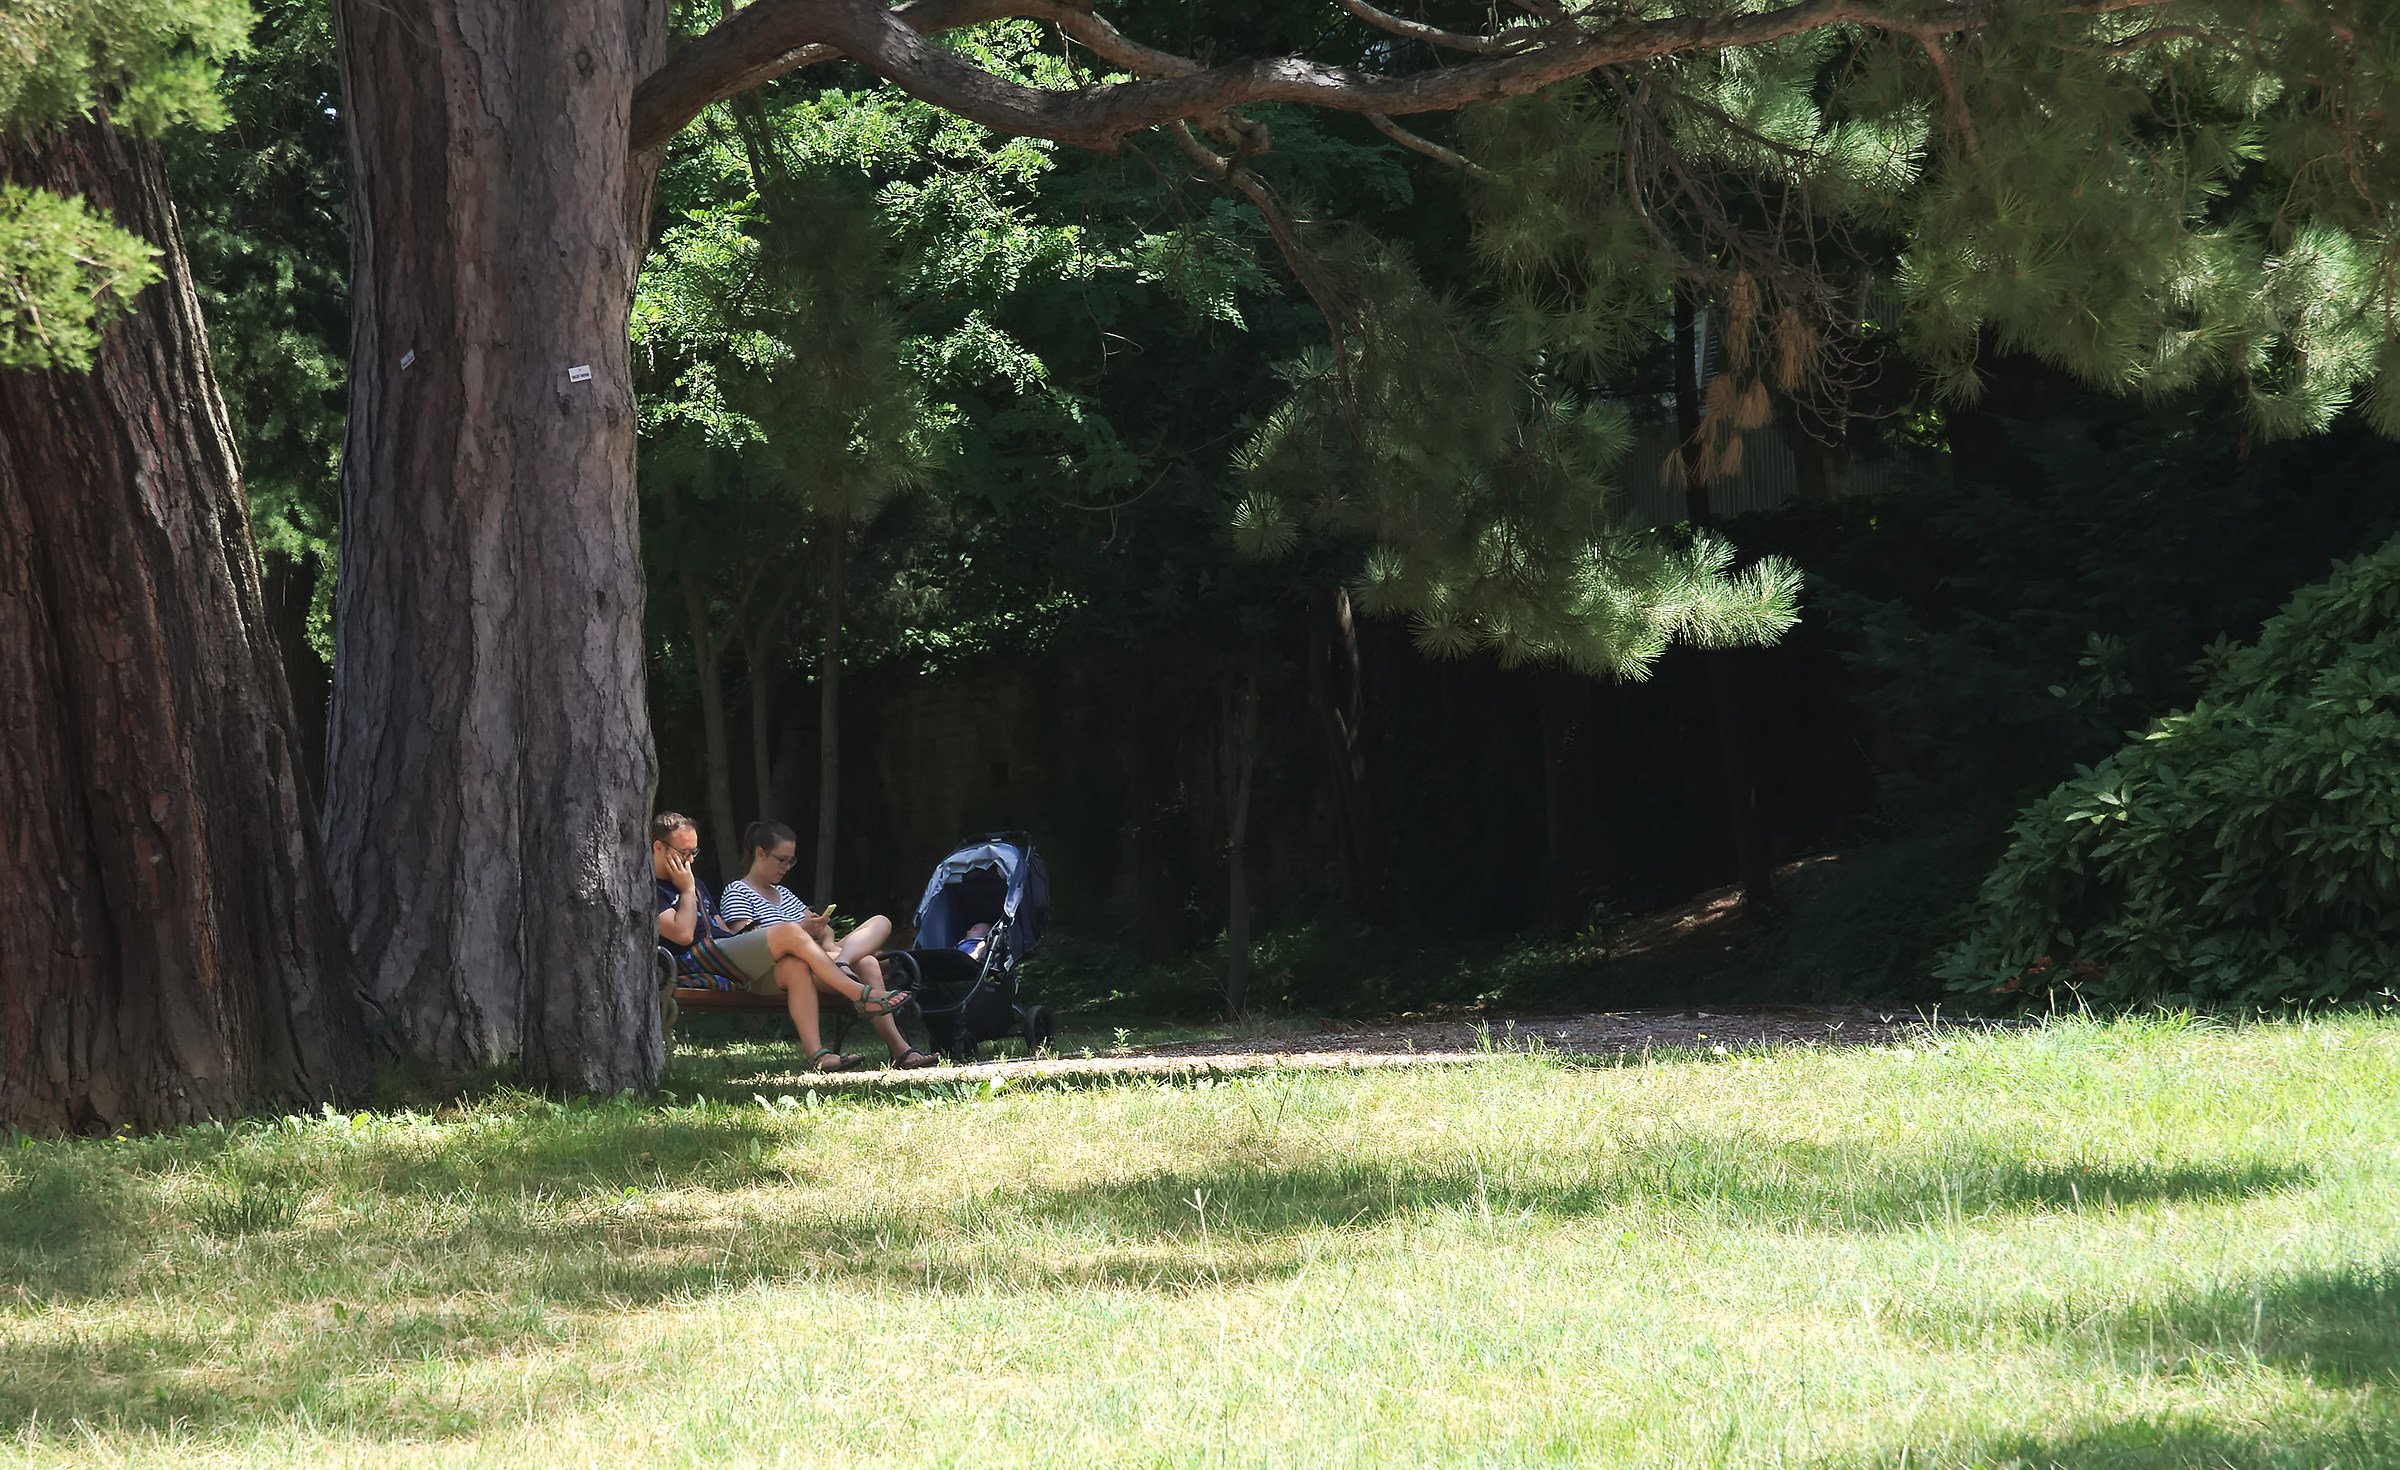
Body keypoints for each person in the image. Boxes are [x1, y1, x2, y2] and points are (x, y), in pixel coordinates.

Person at [651, 812, 913, 1072]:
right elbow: (683, 935)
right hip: (695, 959)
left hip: (724, 956)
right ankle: (858, 994)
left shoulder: (697, 884)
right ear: (659, 847)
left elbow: (719, 928)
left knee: (794, 967)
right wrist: (686, 890)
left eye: (693, 853)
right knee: (790, 932)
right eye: (683, 853)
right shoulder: (650, 887)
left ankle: (818, 1056)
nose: (689, 861)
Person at [721, 820, 935, 1069]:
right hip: (783, 968)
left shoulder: (784, 894)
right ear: (760, 852)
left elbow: (823, 928)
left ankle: (899, 1048)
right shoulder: (738, 891)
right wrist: (804, 931)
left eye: (791, 861)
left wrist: (829, 943)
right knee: (858, 962)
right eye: (782, 859)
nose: (787, 867)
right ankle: (882, 1028)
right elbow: (750, 942)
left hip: (821, 960)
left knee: (880, 924)